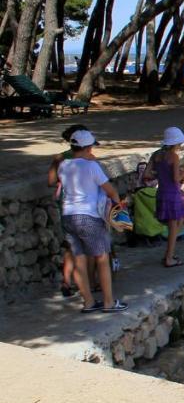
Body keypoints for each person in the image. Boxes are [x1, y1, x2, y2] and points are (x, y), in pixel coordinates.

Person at [58, 129, 126, 313]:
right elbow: (110, 191)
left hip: (68, 216)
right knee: (102, 258)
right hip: (89, 216)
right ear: (88, 147)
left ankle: (88, 302)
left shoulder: (63, 165)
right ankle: (108, 302)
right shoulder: (92, 167)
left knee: (79, 259)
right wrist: (119, 210)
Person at [48, 124, 91, 296]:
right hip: (84, 205)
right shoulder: (88, 158)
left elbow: (50, 181)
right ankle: (87, 284)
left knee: (70, 246)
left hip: (65, 205)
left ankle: (66, 282)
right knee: (86, 247)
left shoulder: (60, 158)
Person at [151, 126, 184, 268]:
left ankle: (169, 252)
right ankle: (169, 258)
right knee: (174, 225)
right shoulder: (174, 156)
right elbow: (176, 178)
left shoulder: (156, 154)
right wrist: (183, 173)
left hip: (161, 192)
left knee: (178, 221)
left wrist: (161, 175)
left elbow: (147, 174)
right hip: (173, 194)